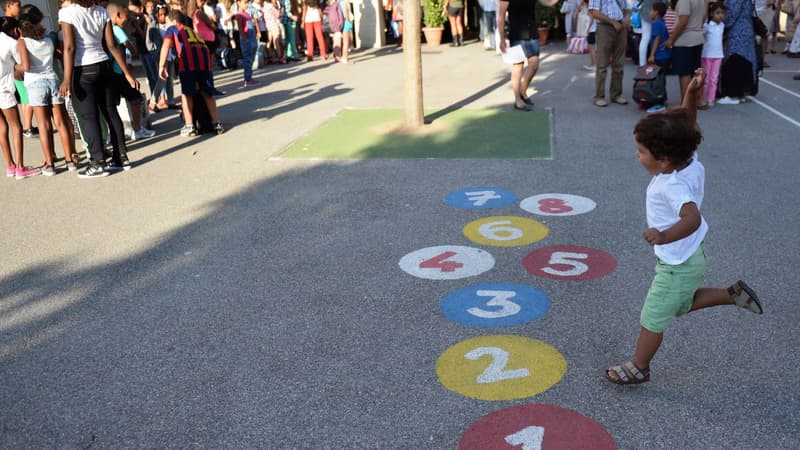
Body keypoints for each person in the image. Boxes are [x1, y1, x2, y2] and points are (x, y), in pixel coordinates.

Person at [605, 68, 763, 385]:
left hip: (677, 262)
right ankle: (731, 295)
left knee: (653, 316)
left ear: (663, 159)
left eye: (641, 152)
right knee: (679, 304)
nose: (636, 156)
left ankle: (639, 367)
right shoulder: (689, 159)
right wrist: (691, 93)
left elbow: (692, 218)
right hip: (688, 257)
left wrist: (663, 235)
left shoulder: (671, 185)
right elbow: (688, 128)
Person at [59, 0, 140, 178]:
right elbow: (112, 45)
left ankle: (97, 162)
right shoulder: (102, 11)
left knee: (90, 117)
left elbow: (70, 47)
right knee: (111, 112)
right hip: (104, 65)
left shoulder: (67, 13)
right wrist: (127, 73)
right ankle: (121, 158)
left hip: (82, 69)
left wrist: (66, 78)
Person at [16, 5, 78, 175]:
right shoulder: (49, 41)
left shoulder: (22, 42)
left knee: (44, 126)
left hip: (35, 84)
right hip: (52, 80)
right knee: (61, 122)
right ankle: (70, 160)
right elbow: (57, 54)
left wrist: (16, 66)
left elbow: (26, 66)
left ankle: (50, 164)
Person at [158, 8, 224, 136]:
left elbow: (165, 45)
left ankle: (189, 126)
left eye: (166, 23)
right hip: (205, 60)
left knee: (186, 93)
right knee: (207, 92)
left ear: (173, 21)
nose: (165, 26)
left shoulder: (173, 29)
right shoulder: (191, 30)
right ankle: (217, 123)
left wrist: (161, 66)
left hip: (189, 61)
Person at [107, 2, 156, 144]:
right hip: (121, 72)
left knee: (112, 105)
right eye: (125, 16)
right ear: (117, 15)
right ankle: (137, 129)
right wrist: (132, 49)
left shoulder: (106, 30)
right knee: (136, 98)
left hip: (111, 72)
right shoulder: (117, 29)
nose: (126, 20)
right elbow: (130, 46)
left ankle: (112, 134)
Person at [1, 16, 40, 179]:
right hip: (4, 89)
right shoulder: (11, 43)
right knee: (16, 127)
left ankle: (10, 165)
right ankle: (20, 168)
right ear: (14, 30)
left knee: (2, 129)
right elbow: (23, 64)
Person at [498, 0, 541, 111]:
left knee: (534, 65)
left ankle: (522, 90)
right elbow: (501, 16)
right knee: (518, 67)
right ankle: (518, 100)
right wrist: (502, 39)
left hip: (532, 33)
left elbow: (548, 2)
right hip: (516, 34)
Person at [589, 0, 631, 107]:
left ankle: (616, 95)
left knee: (619, 64)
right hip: (604, 28)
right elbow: (594, 12)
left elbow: (627, 8)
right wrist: (613, 22)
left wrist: (626, 18)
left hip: (621, 27)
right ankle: (599, 96)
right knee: (602, 65)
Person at [663, 0, 704, 103]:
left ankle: (686, 103)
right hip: (698, 38)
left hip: (684, 41)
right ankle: (697, 100)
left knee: (684, 73)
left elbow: (683, 22)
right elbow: (704, 17)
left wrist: (671, 39)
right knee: (695, 72)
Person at [718, 0, 756, 104]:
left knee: (734, 62)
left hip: (737, 31)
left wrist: (720, 23)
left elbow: (732, 13)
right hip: (746, 28)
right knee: (744, 62)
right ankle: (741, 93)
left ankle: (733, 95)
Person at [224, 0, 261, 84]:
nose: (247, 4)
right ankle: (247, 78)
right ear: (238, 3)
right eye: (245, 2)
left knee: (251, 57)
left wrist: (256, 33)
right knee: (247, 58)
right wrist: (245, 39)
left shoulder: (247, 14)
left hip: (252, 37)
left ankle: (249, 75)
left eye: (247, 2)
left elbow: (253, 23)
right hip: (246, 39)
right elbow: (240, 29)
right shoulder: (239, 15)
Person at [698, 2, 725, 109]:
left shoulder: (722, 25)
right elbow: (702, 36)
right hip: (707, 55)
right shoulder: (707, 26)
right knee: (706, 78)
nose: (720, 15)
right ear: (711, 14)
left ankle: (711, 98)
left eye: (722, 13)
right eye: (717, 13)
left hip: (718, 55)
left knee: (714, 78)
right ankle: (702, 98)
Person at [645, 1, 670, 111]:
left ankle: (659, 103)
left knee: (658, 80)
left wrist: (652, 55)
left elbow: (657, 39)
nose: (650, 12)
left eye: (652, 10)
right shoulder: (662, 22)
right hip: (664, 55)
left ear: (656, 12)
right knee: (661, 79)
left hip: (659, 55)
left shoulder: (656, 23)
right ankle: (662, 100)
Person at [637, 0, 654, 67]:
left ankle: (642, 64)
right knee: (657, 37)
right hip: (658, 11)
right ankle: (656, 61)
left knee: (645, 38)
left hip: (645, 12)